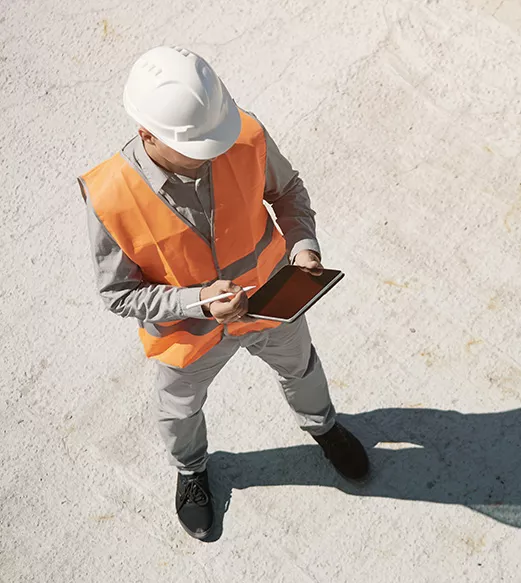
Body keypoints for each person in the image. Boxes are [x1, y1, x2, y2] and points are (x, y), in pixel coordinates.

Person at [78, 46, 369, 540]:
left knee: (302, 367)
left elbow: (288, 192)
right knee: (178, 408)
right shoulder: (109, 195)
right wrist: (195, 302)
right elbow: (119, 293)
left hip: (275, 302)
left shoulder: (241, 133)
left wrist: (303, 247)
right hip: (188, 334)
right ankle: (191, 470)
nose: (214, 152)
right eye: (198, 148)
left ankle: (323, 426)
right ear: (148, 134)